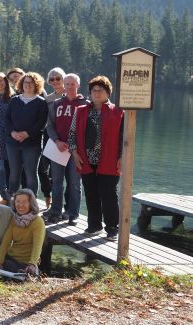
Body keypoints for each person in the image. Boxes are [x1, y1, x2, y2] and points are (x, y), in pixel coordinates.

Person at [69, 75, 124, 240]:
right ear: (90, 92)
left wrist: (122, 157)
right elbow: (72, 134)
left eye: (101, 90)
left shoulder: (118, 111)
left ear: (108, 92)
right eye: (94, 90)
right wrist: (74, 153)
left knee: (109, 195)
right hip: (86, 159)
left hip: (109, 160)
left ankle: (113, 228)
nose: (97, 93)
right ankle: (94, 225)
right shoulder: (81, 111)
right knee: (91, 193)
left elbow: (124, 137)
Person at [44, 73, 87, 225]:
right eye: (67, 84)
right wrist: (57, 141)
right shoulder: (56, 104)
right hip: (59, 148)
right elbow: (50, 125)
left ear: (78, 85)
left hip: (77, 151)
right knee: (56, 181)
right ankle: (56, 211)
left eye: (72, 84)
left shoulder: (85, 104)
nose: (69, 87)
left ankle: (73, 214)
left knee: (75, 183)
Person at [4, 72, 48, 198]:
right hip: (13, 143)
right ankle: (12, 200)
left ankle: (32, 202)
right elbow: (7, 119)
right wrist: (12, 132)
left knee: (31, 174)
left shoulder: (41, 102)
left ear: (36, 85)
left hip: (32, 144)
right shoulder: (14, 100)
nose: (28, 84)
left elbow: (42, 123)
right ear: (21, 84)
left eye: (31, 82)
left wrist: (27, 134)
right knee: (14, 173)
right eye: (25, 82)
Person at [0, 189, 45, 276]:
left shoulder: (38, 221)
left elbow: (38, 245)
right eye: (18, 201)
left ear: (31, 203)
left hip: (24, 264)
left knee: (4, 266)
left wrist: (32, 264)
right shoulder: (15, 219)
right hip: (10, 257)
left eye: (24, 202)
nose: (20, 205)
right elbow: (6, 242)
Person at [37, 67, 67, 210]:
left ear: (63, 79)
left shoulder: (72, 96)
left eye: (58, 78)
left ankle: (67, 207)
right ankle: (51, 201)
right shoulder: (47, 99)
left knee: (67, 176)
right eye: (52, 79)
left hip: (67, 139)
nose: (55, 81)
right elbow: (45, 120)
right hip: (50, 137)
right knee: (44, 170)